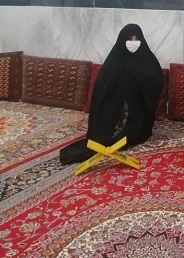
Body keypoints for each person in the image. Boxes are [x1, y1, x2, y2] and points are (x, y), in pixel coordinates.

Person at [60, 24, 164, 165]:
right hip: (116, 110)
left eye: (136, 39)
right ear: (122, 40)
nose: (133, 42)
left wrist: (137, 83)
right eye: (130, 39)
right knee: (112, 137)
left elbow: (156, 81)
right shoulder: (114, 61)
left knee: (134, 133)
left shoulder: (147, 59)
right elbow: (103, 89)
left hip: (137, 111)